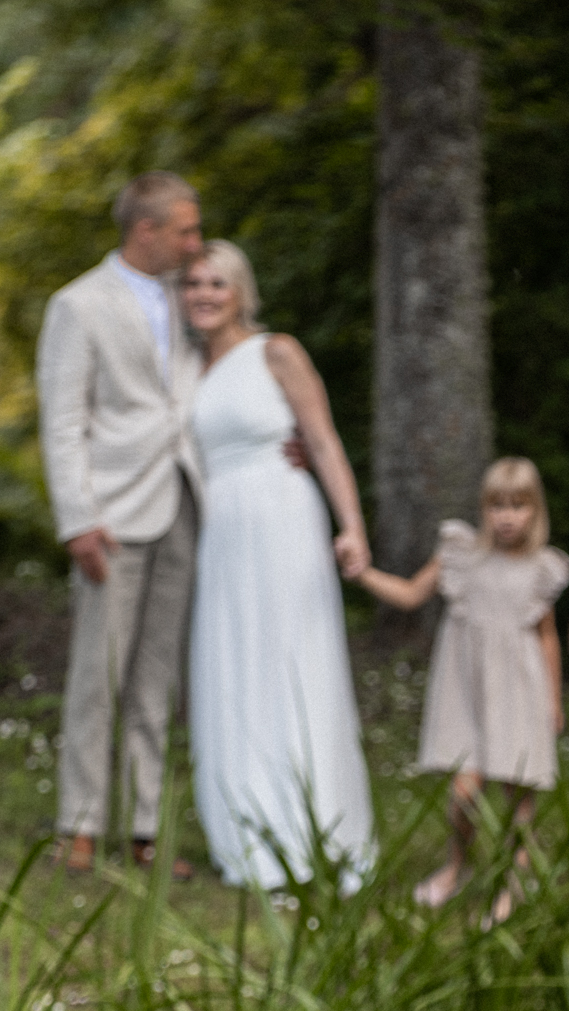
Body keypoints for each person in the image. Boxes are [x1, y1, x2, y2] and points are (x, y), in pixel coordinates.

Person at [178, 241, 376, 889]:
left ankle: (315, 827)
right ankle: (247, 831)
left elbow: (321, 439)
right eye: (193, 284)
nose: (204, 294)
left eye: (217, 283)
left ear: (241, 291)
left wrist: (352, 527)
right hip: (224, 532)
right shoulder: (189, 370)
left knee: (295, 664)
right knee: (235, 668)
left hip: (283, 516)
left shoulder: (277, 352)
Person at [35, 171, 204, 876]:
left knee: (156, 677)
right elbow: (63, 419)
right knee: (98, 673)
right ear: (147, 231)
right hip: (114, 513)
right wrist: (79, 517)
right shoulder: (78, 305)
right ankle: (79, 822)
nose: (198, 245)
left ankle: (143, 826)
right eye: (186, 231)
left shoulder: (194, 300)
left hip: (187, 504)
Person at [352, 458, 569, 916]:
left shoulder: (541, 568)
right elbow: (411, 594)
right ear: (483, 508)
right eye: (497, 505)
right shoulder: (460, 554)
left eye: (518, 506)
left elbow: (547, 637)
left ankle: (513, 886)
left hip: (519, 691)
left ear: (535, 511)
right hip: (468, 691)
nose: (507, 516)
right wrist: (363, 573)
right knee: (464, 792)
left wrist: (553, 699)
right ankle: (457, 865)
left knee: (517, 794)